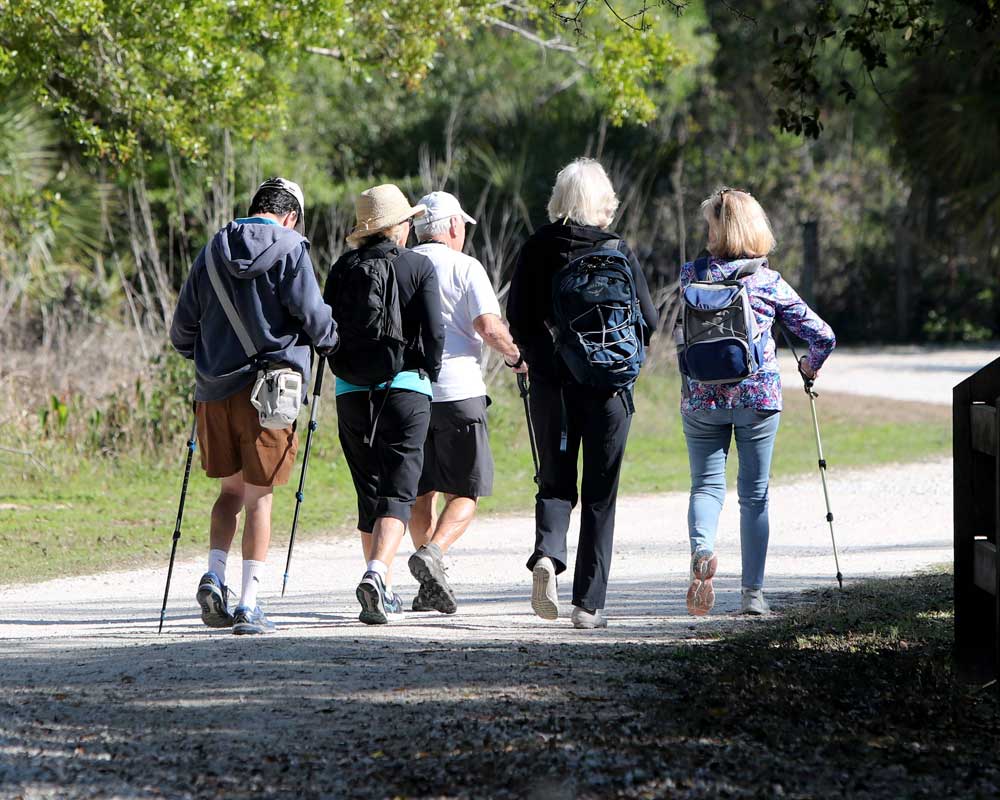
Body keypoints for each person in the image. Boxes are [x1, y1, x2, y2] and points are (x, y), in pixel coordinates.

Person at [170, 177, 338, 635]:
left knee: (229, 493)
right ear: (291, 216)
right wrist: (330, 340)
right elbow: (313, 315)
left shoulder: (213, 248)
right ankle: (248, 603)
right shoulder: (292, 248)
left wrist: (204, 356)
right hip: (270, 394)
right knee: (259, 498)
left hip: (214, 392)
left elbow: (182, 328)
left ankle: (214, 575)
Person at [507, 158, 658, 629]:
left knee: (555, 481)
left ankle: (547, 555)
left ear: (559, 198)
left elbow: (519, 320)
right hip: (610, 391)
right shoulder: (617, 248)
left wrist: (546, 361)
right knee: (599, 494)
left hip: (554, 387)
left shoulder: (537, 247)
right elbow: (650, 321)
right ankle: (588, 607)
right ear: (603, 201)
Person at [679, 187, 836, 617]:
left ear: (716, 230)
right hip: (757, 396)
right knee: (754, 495)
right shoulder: (768, 282)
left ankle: (702, 551)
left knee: (706, 486)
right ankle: (753, 595)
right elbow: (823, 335)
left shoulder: (690, 276)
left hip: (701, 396)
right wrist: (809, 366)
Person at [324, 184, 445, 625]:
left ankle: (383, 590)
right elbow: (434, 332)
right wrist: (429, 371)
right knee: (398, 490)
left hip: (350, 390)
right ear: (400, 226)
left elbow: (326, 327)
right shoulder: (418, 265)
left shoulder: (342, 268)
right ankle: (376, 575)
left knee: (369, 492)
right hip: (405, 389)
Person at [407, 191, 527, 614]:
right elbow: (488, 326)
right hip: (459, 392)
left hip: (410, 392)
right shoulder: (466, 266)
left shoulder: (403, 263)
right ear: (454, 226)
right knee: (466, 490)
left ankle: (429, 584)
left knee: (421, 492)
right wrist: (515, 356)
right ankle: (433, 552)